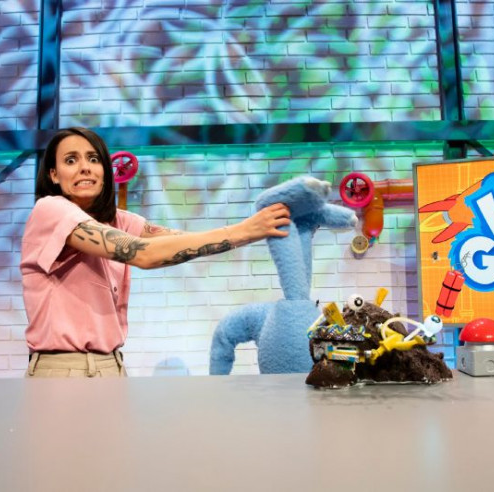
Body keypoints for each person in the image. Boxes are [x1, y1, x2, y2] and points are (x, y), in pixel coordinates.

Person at [20, 127, 291, 377]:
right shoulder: (50, 210)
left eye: (93, 159)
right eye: (71, 160)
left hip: (111, 365)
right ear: (53, 175)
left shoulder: (118, 221)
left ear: (104, 170)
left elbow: (183, 241)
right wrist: (244, 230)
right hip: (63, 369)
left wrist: (250, 232)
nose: (84, 168)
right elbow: (143, 253)